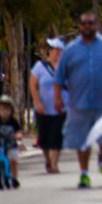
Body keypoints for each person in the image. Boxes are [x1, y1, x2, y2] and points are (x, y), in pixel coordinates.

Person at [55, 11, 102, 188]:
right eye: (84, 23)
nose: (87, 27)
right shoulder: (70, 51)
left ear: (97, 25)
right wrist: (58, 99)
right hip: (79, 104)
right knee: (82, 141)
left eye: (91, 23)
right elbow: (59, 77)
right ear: (79, 26)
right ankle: (84, 173)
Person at [30, 38, 66, 174]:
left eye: (57, 50)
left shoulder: (65, 68)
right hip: (43, 109)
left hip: (60, 108)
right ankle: (48, 160)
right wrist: (37, 102)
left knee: (57, 137)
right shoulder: (40, 66)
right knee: (44, 138)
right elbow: (33, 84)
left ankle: (54, 163)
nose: (54, 52)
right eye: (52, 49)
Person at [0, 96, 22, 189]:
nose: (4, 112)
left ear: (11, 110)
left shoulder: (13, 121)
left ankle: (14, 178)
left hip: (11, 146)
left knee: (13, 161)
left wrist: (18, 135)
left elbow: (18, 131)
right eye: (2, 110)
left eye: (7, 109)